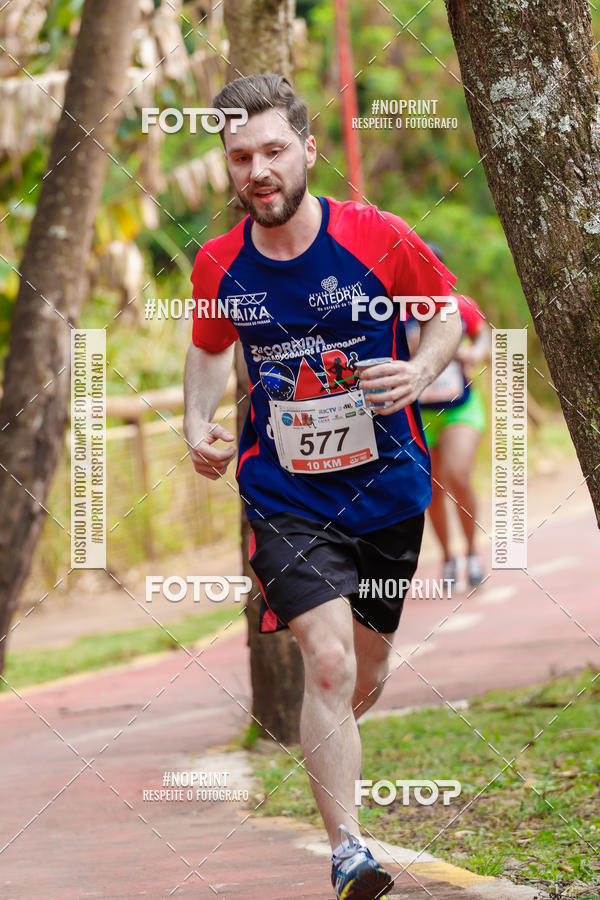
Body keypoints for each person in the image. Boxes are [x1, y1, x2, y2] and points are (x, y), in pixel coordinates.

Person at [183, 73, 462, 900]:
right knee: (329, 663)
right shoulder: (219, 263)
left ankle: (329, 751)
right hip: (285, 495)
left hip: (388, 491)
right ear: (229, 168)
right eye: (240, 157)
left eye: (273, 150)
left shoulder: (377, 236)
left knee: (365, 676)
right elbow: (206, 350)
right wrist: (199, 423)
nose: (257, 170)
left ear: (308, 149)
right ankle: (349, 852)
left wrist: (417, 369)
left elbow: (446, 308)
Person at [406, 246, 490, 589]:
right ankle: (448, 558)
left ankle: (471, 552)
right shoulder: (396, 310)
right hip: (419, 413)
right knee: (432, 491)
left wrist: (475, 351)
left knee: (458, 473)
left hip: (459, 407)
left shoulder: (460, 305)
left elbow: (483, 334)